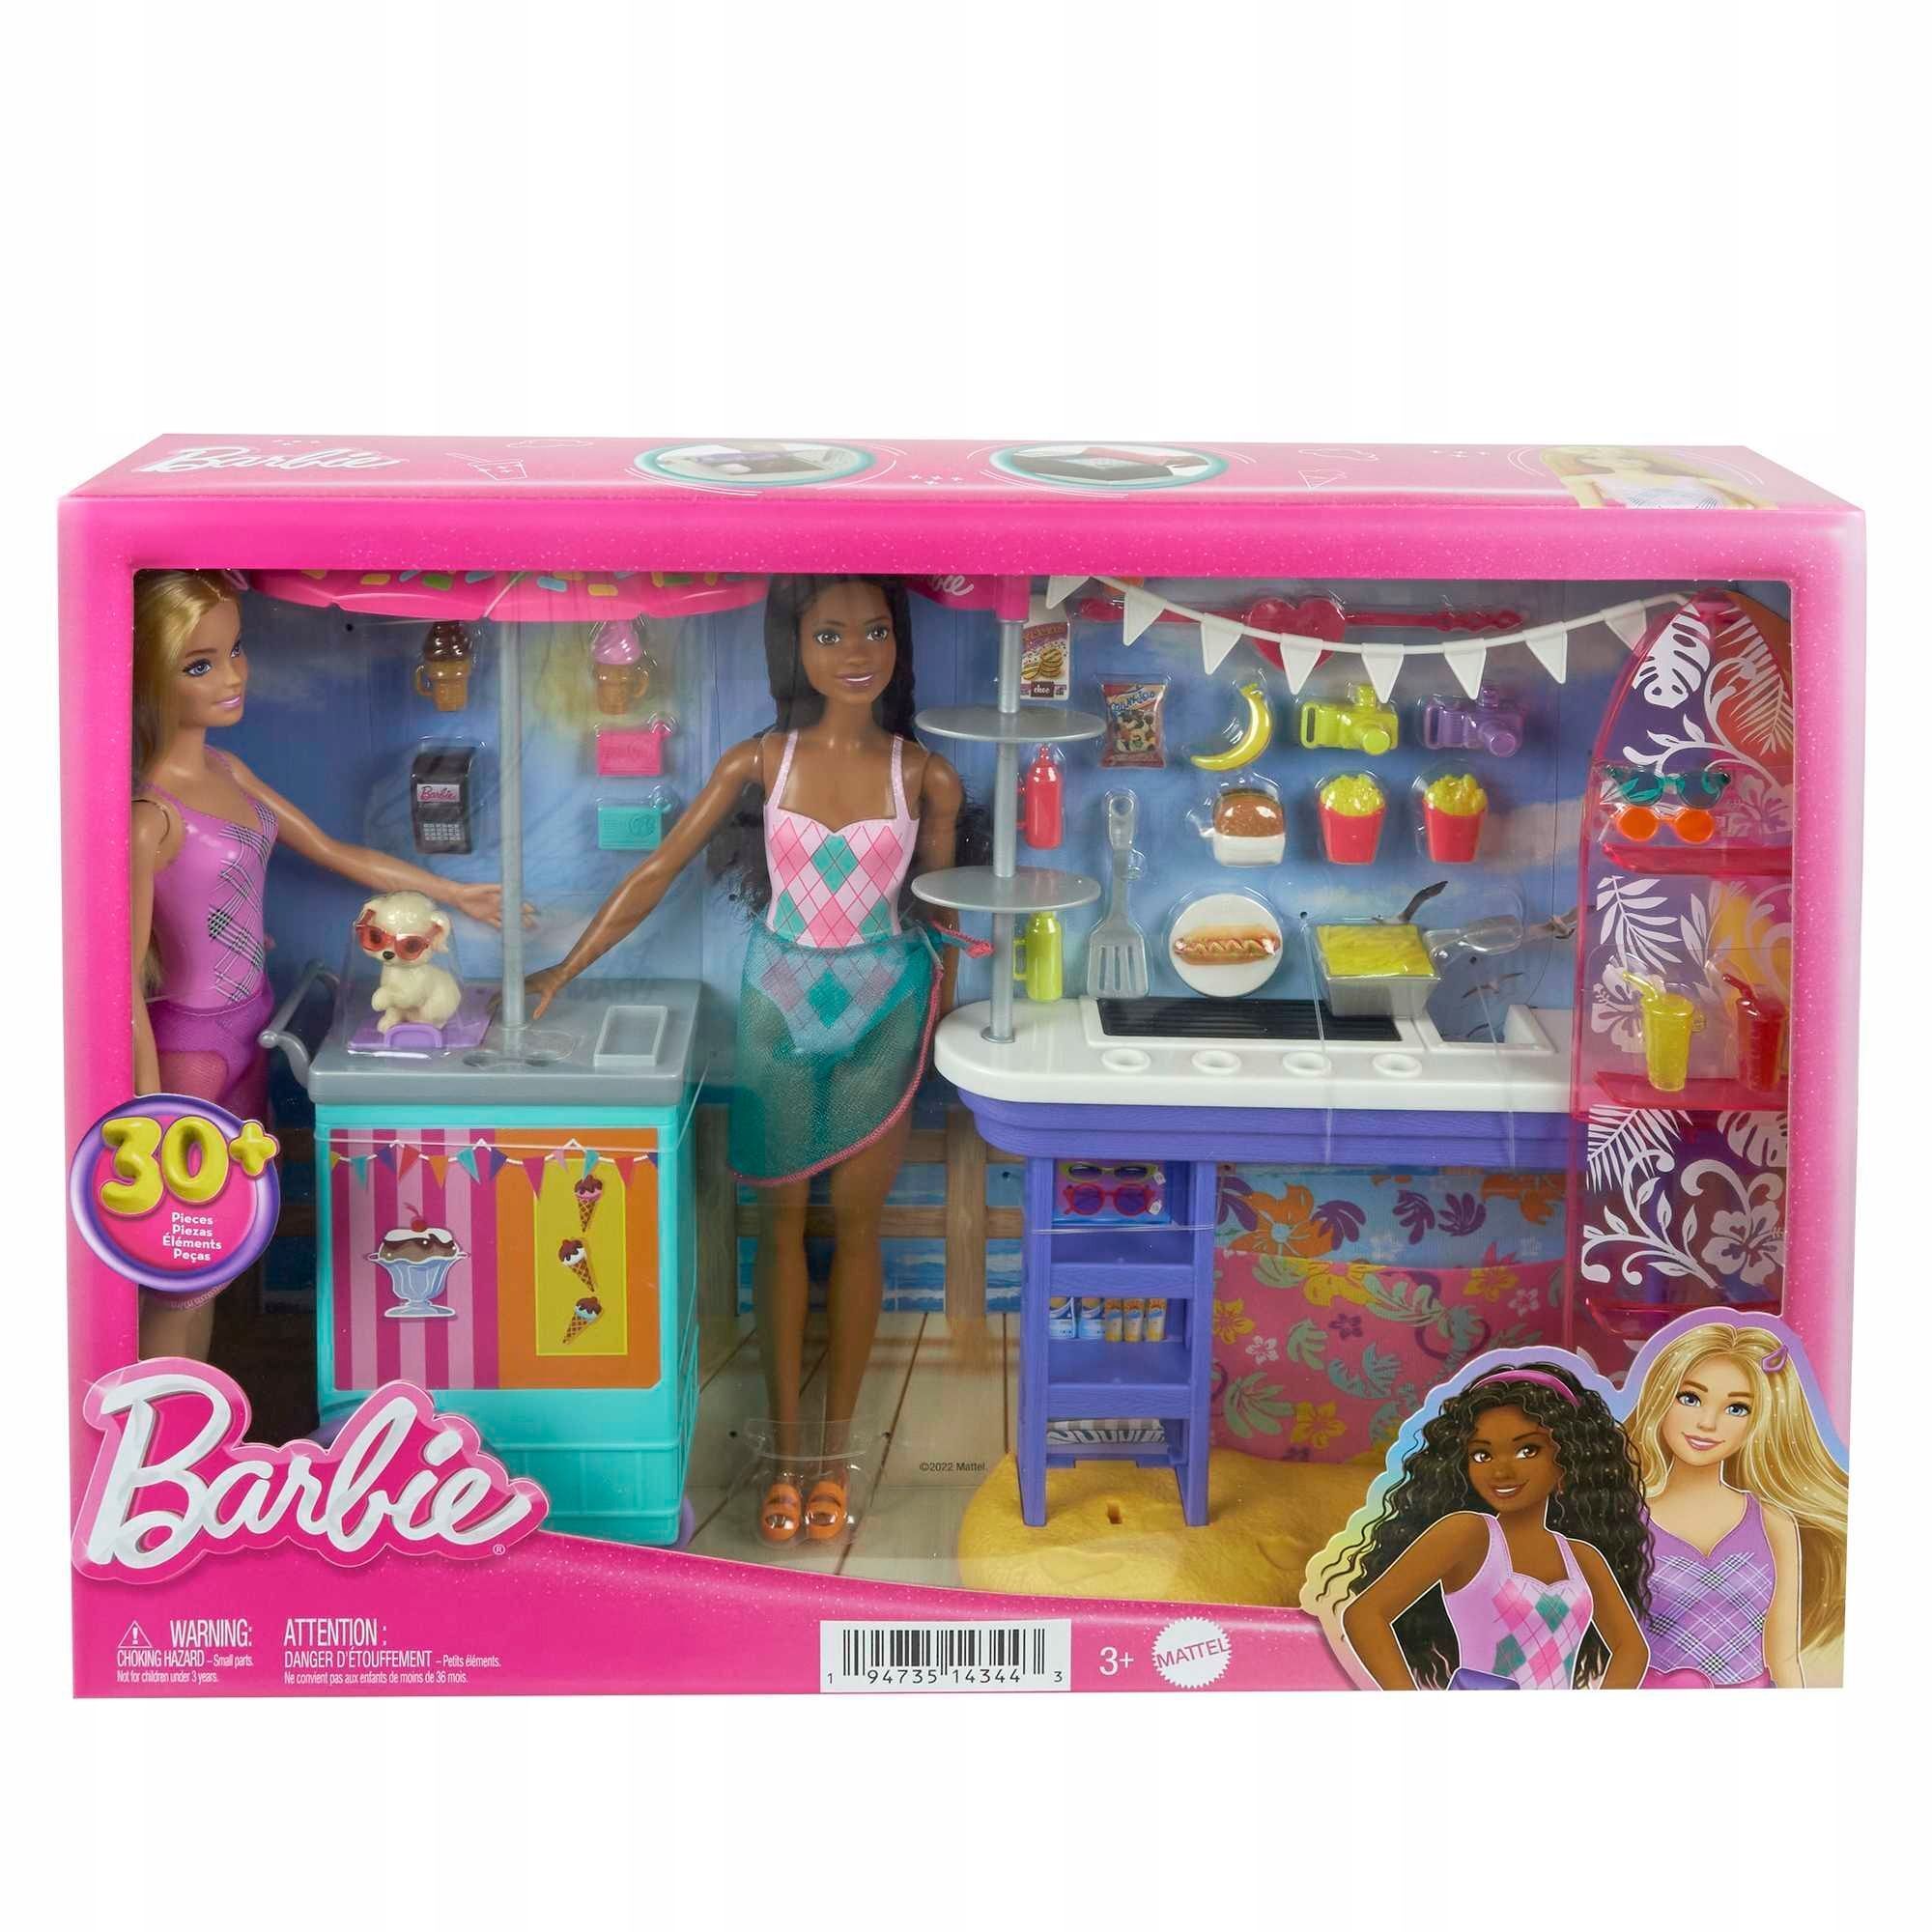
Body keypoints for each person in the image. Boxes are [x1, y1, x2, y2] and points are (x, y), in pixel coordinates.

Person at [526, 575, 981, 1543]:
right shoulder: (759, 760)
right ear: (794, 646)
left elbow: (940, 913)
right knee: (776, 1227)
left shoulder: (924, 776)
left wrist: (949, 1006)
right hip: (778, 1000)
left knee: (857, 1229)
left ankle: (834, 1456)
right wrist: (561, 971)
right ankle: (782, 1456)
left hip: (885, 1004)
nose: (856, 653)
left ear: (898, 643)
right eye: (830, 634)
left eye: (875, 632)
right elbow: (657, 869)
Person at [130, 569, 513, 1361]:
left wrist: (453, 894)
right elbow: (120, 985)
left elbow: (332, 849)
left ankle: (211, 1410)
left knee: (225, 1250)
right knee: (183, 1270)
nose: (233, 676)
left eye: (236, 651)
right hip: (187, 1057)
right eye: (200, 664)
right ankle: (163, 1426)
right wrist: (143, 1114)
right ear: (147, 677)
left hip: (250, 1031)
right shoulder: (149, 818)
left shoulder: (227, 771)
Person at [1314, 1363, 1652, 1689]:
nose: (1501, 1471)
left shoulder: (1581, 1556)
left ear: (1568, 1461)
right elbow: (1365, 1614)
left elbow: (1631, 1649)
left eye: (1527, 1450)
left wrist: (1599, 1714)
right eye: (1482, 1455)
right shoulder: (1468, 1534)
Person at [1624, 1322, 1848, 1688]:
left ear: (1759, 1420)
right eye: (1690, 1398)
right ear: (1660, 1399)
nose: (1707, 1423)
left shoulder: (1773, 1521)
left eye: (1737, 1408)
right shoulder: (1625, 1519)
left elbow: (1783, 1655)